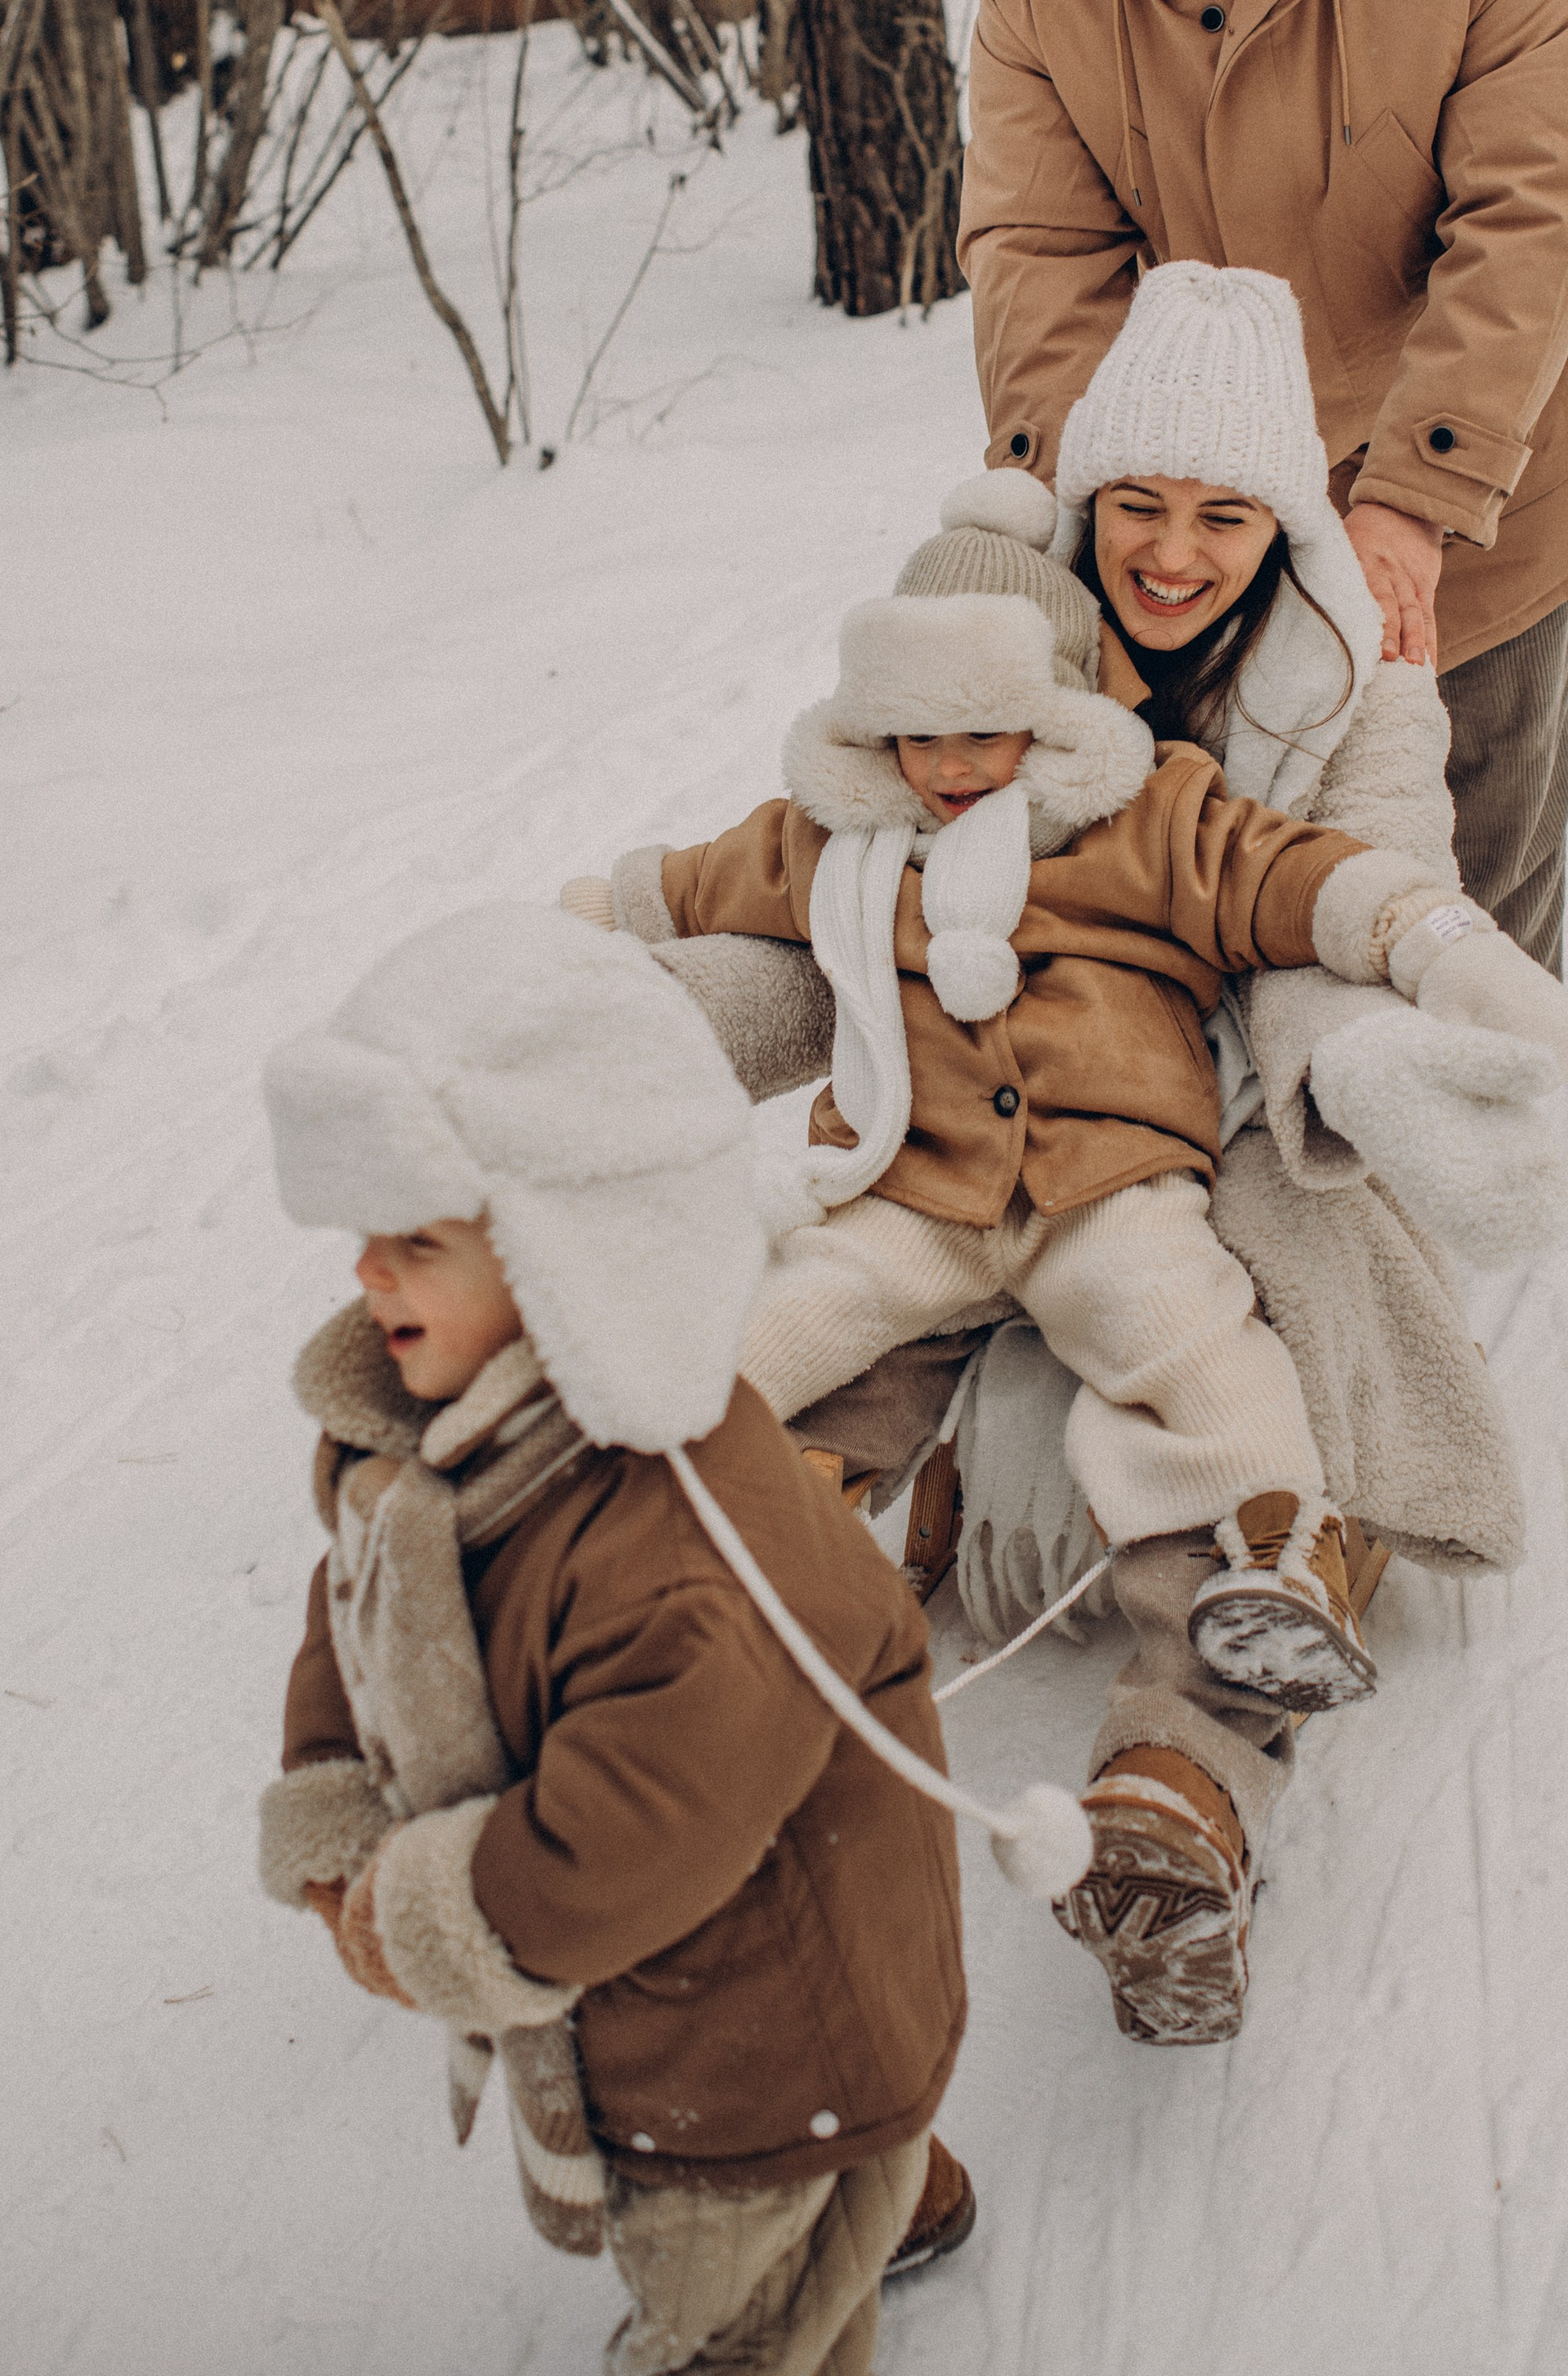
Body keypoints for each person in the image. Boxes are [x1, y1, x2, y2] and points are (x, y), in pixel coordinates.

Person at [570, 455, 1568, 2037]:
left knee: (1193, 1354)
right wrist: (559, 947)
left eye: (998, 729)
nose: (963, 765)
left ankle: (1256, 1581)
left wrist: (1436, 945)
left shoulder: (1146, 811)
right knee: (782, 1341)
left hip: (1116, 1184)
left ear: (1057, 715)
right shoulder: (834, 839)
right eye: (927, 731)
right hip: (912, 1188)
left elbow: (1296, 879)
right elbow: (683, 884)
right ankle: (688, 1604)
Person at [254, 906, 986, 2376]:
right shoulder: (432, 1454)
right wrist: (332, 1792)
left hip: (754, 2038)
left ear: (564, 1253)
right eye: (364, 1238)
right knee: (820, 2206)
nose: (367, 1280)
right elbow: (364, 1618)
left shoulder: (685, 1564)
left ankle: (838, 2185)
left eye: (417, 1242)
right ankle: (879, 2189)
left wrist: (430, 1923)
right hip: (689, 1993)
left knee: (736, 2318)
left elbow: (631, 1834)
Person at [959, 0, 1568, 974]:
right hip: (1208, 498)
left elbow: (1530, 208)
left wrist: (1420, 492)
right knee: (1211, 876)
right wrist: (1071, 519)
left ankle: (1480, 1165)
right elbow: (1040, 250)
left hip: (1482, 477)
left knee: (1461, 888)